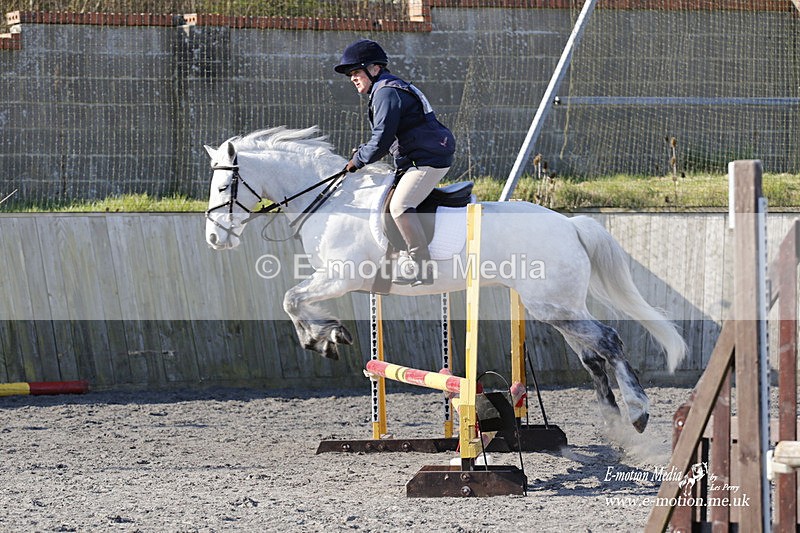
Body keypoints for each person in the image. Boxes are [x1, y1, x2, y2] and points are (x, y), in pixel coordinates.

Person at [334, 39, 456, 286]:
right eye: (350, 74)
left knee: (400, 205)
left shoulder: (386, 92)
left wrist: (358, 159)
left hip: (428, 159)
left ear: (375, 68)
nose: (352, 78)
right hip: (415, 157)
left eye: (356, 71)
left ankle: (422, 266)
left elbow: (381, 140)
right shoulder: (384, 89)